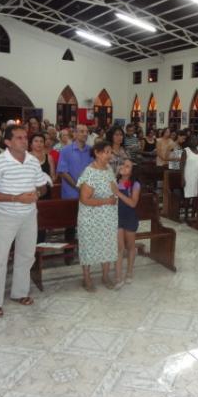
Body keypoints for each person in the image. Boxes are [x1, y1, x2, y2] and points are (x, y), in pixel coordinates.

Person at [0, 125, 48, 318]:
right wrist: (16, 198)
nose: (24, 141)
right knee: (0, 258)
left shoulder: (33, 161)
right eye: (19, 138)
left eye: (25, 137)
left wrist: (36, 192)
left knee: (26, 256)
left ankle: (19, 292)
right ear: (8, 142)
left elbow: (42, 186)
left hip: (29, 215)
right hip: (5, 215)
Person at [77, 140, 118, 291]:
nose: (109, 155)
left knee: (107, 245)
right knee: (89, 246)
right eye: (106, 152)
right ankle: (87, 278)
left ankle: (105, 275)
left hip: (107, 217)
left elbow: (114, 188)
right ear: (97, 153)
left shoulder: (108, 169)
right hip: (91, 217)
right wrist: (106, 200)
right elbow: (84, 199)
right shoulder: (89, 172)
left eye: (110, 152)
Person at [112, 159, 140, 287]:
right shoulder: (114, 182)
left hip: (129, 217)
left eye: (127, 166)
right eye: (122, 164)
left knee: (130, 246)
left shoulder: (135, 184)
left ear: (132, 171)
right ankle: (118, 276)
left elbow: (133, 203)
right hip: (117, 217)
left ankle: (129, 272)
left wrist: (118, 193)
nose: (123, 167)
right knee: (119, 247)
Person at [57, 124, 92, 199]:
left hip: (88, 193)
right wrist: (78, 187)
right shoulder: (66, 150)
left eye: (87, 132)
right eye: (82, 131)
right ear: (75, 134)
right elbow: (63, 172)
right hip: (70, 194)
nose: (85, 134)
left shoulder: (91, 150)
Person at [181, 135, 198, 215]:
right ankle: (186, 215)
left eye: (196, 140)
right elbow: (182, 165)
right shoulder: (186, 151)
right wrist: (182, 178)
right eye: (192, 140)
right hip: (188, 177)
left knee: (196, 196)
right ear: (189, 141)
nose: (194, 141)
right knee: (187, 196)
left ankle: (193, 214)